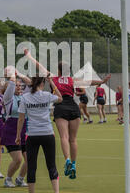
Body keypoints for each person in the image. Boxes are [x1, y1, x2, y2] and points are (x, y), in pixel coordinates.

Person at [24, 49, 110, 180]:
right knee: (73, 139)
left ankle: (68, 160)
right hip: (73, 108)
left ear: (58, 70)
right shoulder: (72, 79)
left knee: (64, 137)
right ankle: (74, 165)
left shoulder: (53, 77)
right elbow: (88, 81)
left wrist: (29, 56)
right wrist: (101, 82)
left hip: (61, 106)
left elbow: (39, 66)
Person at [16, 76, 67, 193]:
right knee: (51, 165)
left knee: (31, 167)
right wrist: (52, 83)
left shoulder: (25, 97)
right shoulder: (47, 95)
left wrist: (18, 135)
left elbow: (21, 118)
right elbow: (60, 98)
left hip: (32, 135)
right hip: (47, 133)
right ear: (42, 84)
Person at [1, 67, 30, 188]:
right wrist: (12, 73)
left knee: (30, 159)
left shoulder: (25, 96)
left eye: (20, 85)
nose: (19, 87)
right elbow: (12, 83)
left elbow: (31, 83)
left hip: (25, 129)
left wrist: (20, 74)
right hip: (11, 129)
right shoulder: (8, 98)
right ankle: (8, 179)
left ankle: (20, 179)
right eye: (17, 85)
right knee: (18, 159)